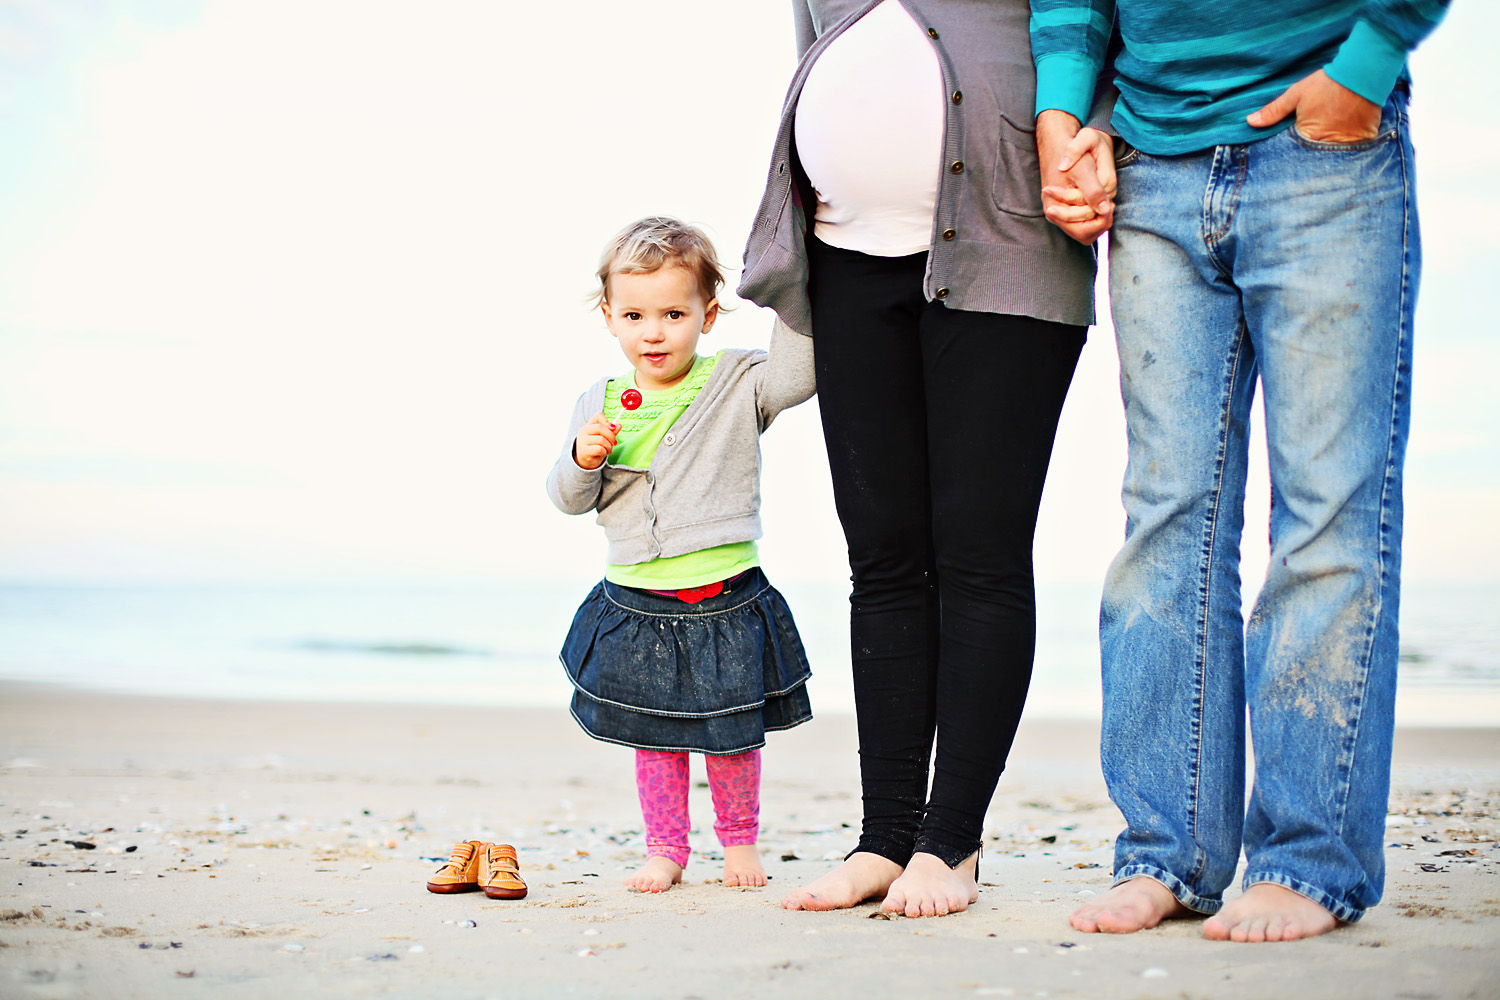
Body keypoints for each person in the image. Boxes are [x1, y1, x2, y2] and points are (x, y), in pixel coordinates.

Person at [1030, 0, 1451, 942]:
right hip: (1148, 160)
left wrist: (1367, 65)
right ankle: (1167, 856)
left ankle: (1308, 862)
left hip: (1326, 151)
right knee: (1166, 517)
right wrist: (1062, 111)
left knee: (1326, 518)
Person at [739, 0, 1107, 917]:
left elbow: (1099, 31)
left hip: (1009, 249)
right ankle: (885, 836)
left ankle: (951, 844)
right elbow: (818, 44)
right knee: (884, 557)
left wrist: (1095, 138)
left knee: (977, 551)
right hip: (848, 259)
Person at [547, 216, 817, 893]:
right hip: (636, 601)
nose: (655, 331)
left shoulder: (736, 381)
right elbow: (568, 497)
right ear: (609, 317)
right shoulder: (598, 401)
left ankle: (739, 844)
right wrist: (583, 459)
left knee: (732, 738)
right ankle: (666, 848)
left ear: (708, 314)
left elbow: (801, 374)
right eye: (635, 314)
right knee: (656, 740)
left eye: (674, 312)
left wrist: (791, 289)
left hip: (725, 594)